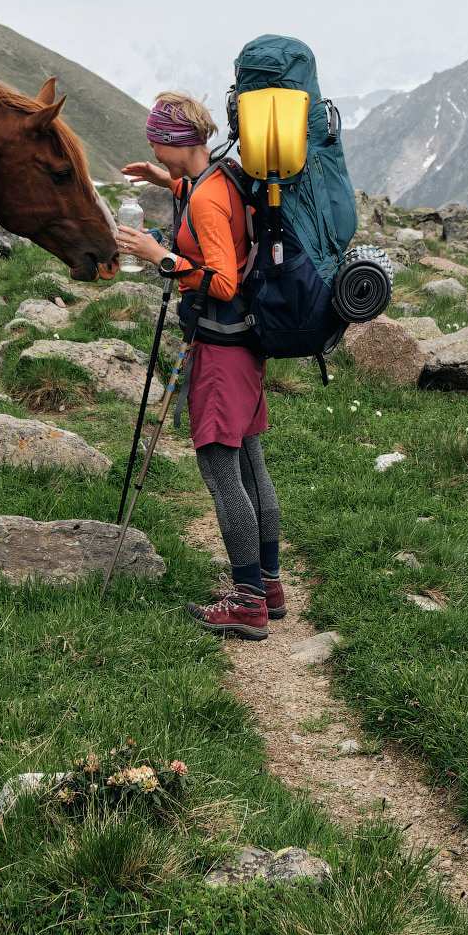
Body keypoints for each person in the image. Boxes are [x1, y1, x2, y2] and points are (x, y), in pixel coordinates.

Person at [113, 91, 284, 640]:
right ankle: (270, 585)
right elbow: (204, 194)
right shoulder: (223, 174)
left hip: (220, 353)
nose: (155, 153)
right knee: (252, 461)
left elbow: (223, 280)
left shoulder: (207, 198)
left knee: (219, 471)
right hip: (247, 346)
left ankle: (248, 602)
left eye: (157, 146)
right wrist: (167, 183)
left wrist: (159, 257)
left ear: (172, 141)